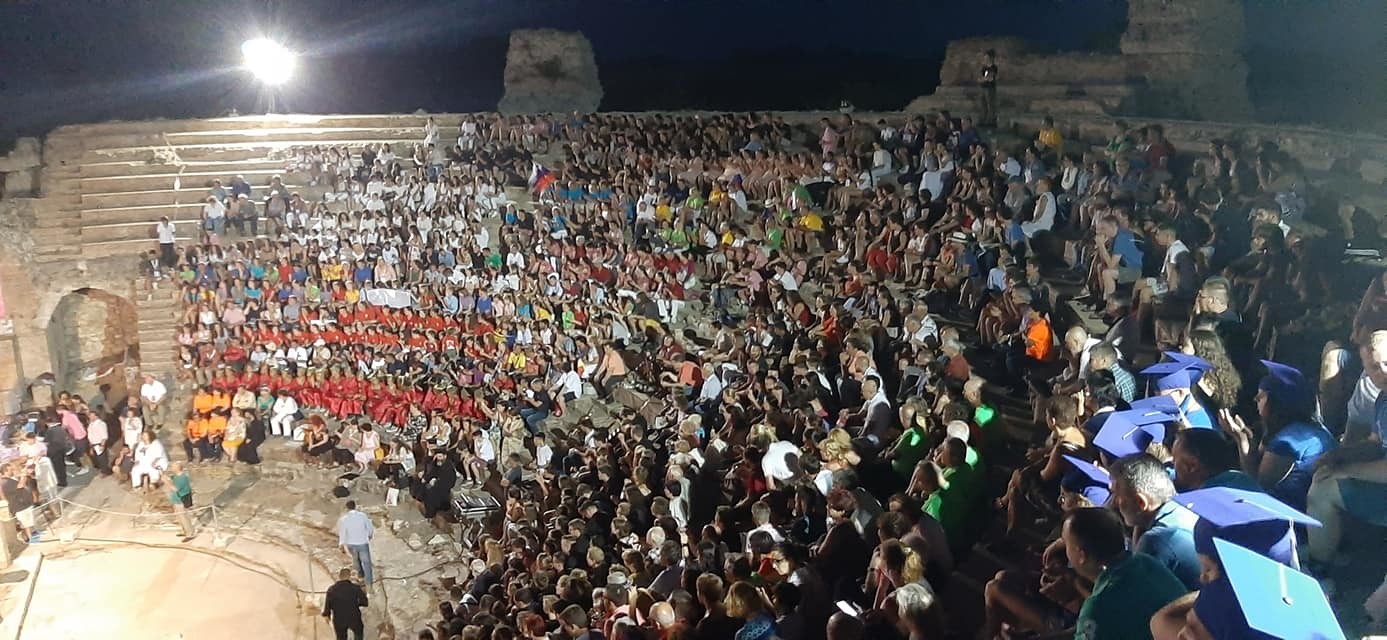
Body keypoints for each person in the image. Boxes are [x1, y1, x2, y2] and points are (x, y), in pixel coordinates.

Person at [1064, 507, 1187, 640]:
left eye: (1066, 544)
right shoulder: (1146, 562)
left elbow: (1103, 613)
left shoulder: (1097, 606)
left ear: (1081, 556)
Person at [323, 567, 370, 640]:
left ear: (339, 577)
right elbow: (365, 602)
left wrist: (327, 615)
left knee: (341, 637)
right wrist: (356, 603)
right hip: (354, 617)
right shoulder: (355, 588)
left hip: (339, 619)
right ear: (349, 576)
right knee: (358, 633)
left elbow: (327, 606)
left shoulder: (331, 589)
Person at [338, 500, 376, 587]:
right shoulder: (362, 516)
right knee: (366, 563)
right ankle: (369, 583)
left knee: (356, 560)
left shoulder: (344, 519)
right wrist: (370, 535)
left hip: (351, 544)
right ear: (355, 506)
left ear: (347, 508)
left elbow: (343, 532)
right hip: (362, 543)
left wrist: (341, 544)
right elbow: (369, 527)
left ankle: (360, 576)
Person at [167, 461, 196, 541]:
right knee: (179, 518)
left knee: (184, 518)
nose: (171, 468)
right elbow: (170, 478)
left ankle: (190, 534)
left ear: (177, 468)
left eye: (172, 466)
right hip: (176, 500)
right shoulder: (176, 476)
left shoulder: (182, 478)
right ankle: (185, 531)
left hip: (181, 501)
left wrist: (166, 482)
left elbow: (175, 489)